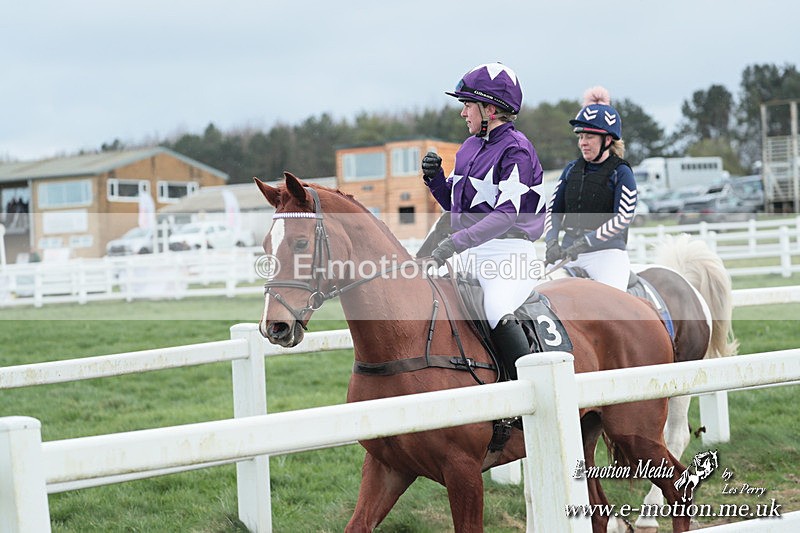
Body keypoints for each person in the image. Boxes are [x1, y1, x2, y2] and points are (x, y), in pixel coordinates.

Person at [421, 62, 546, 380]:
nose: (463, 113)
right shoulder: (469, 147)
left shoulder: (517, 150)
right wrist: (436, 181)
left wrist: (455, 242)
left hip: (510, 257)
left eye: (467, 105)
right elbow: (457, 208)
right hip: (471, 255)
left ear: (490, 109)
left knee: (495, 309)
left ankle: (532, 390)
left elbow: (506, 216)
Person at [543, 86, 637, 291]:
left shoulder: (621, 172)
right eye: (580, 137)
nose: (582, 143)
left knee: (612, 309)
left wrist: (587, 241)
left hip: (606, 256)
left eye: (589, 137)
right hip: (568, 254)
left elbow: (623, 218)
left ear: (608, 139)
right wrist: (551, 242)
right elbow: (553, 211)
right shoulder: (570, 170)